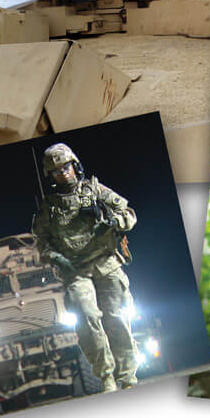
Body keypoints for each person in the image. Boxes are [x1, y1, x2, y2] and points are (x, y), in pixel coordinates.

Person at [32, 143, 139, 393]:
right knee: (87, 317)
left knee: (117, 318)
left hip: (106, 263)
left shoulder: (95, 190)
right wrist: (57, 259)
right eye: (57, 171)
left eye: (66, 167)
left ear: (75, 166)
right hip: (76, 271)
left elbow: (129, 214)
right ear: (51, 176)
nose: (64, 173)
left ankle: (128, 376)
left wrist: (112, 221)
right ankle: (107, 376)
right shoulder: (49, 208)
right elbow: (41, 244)